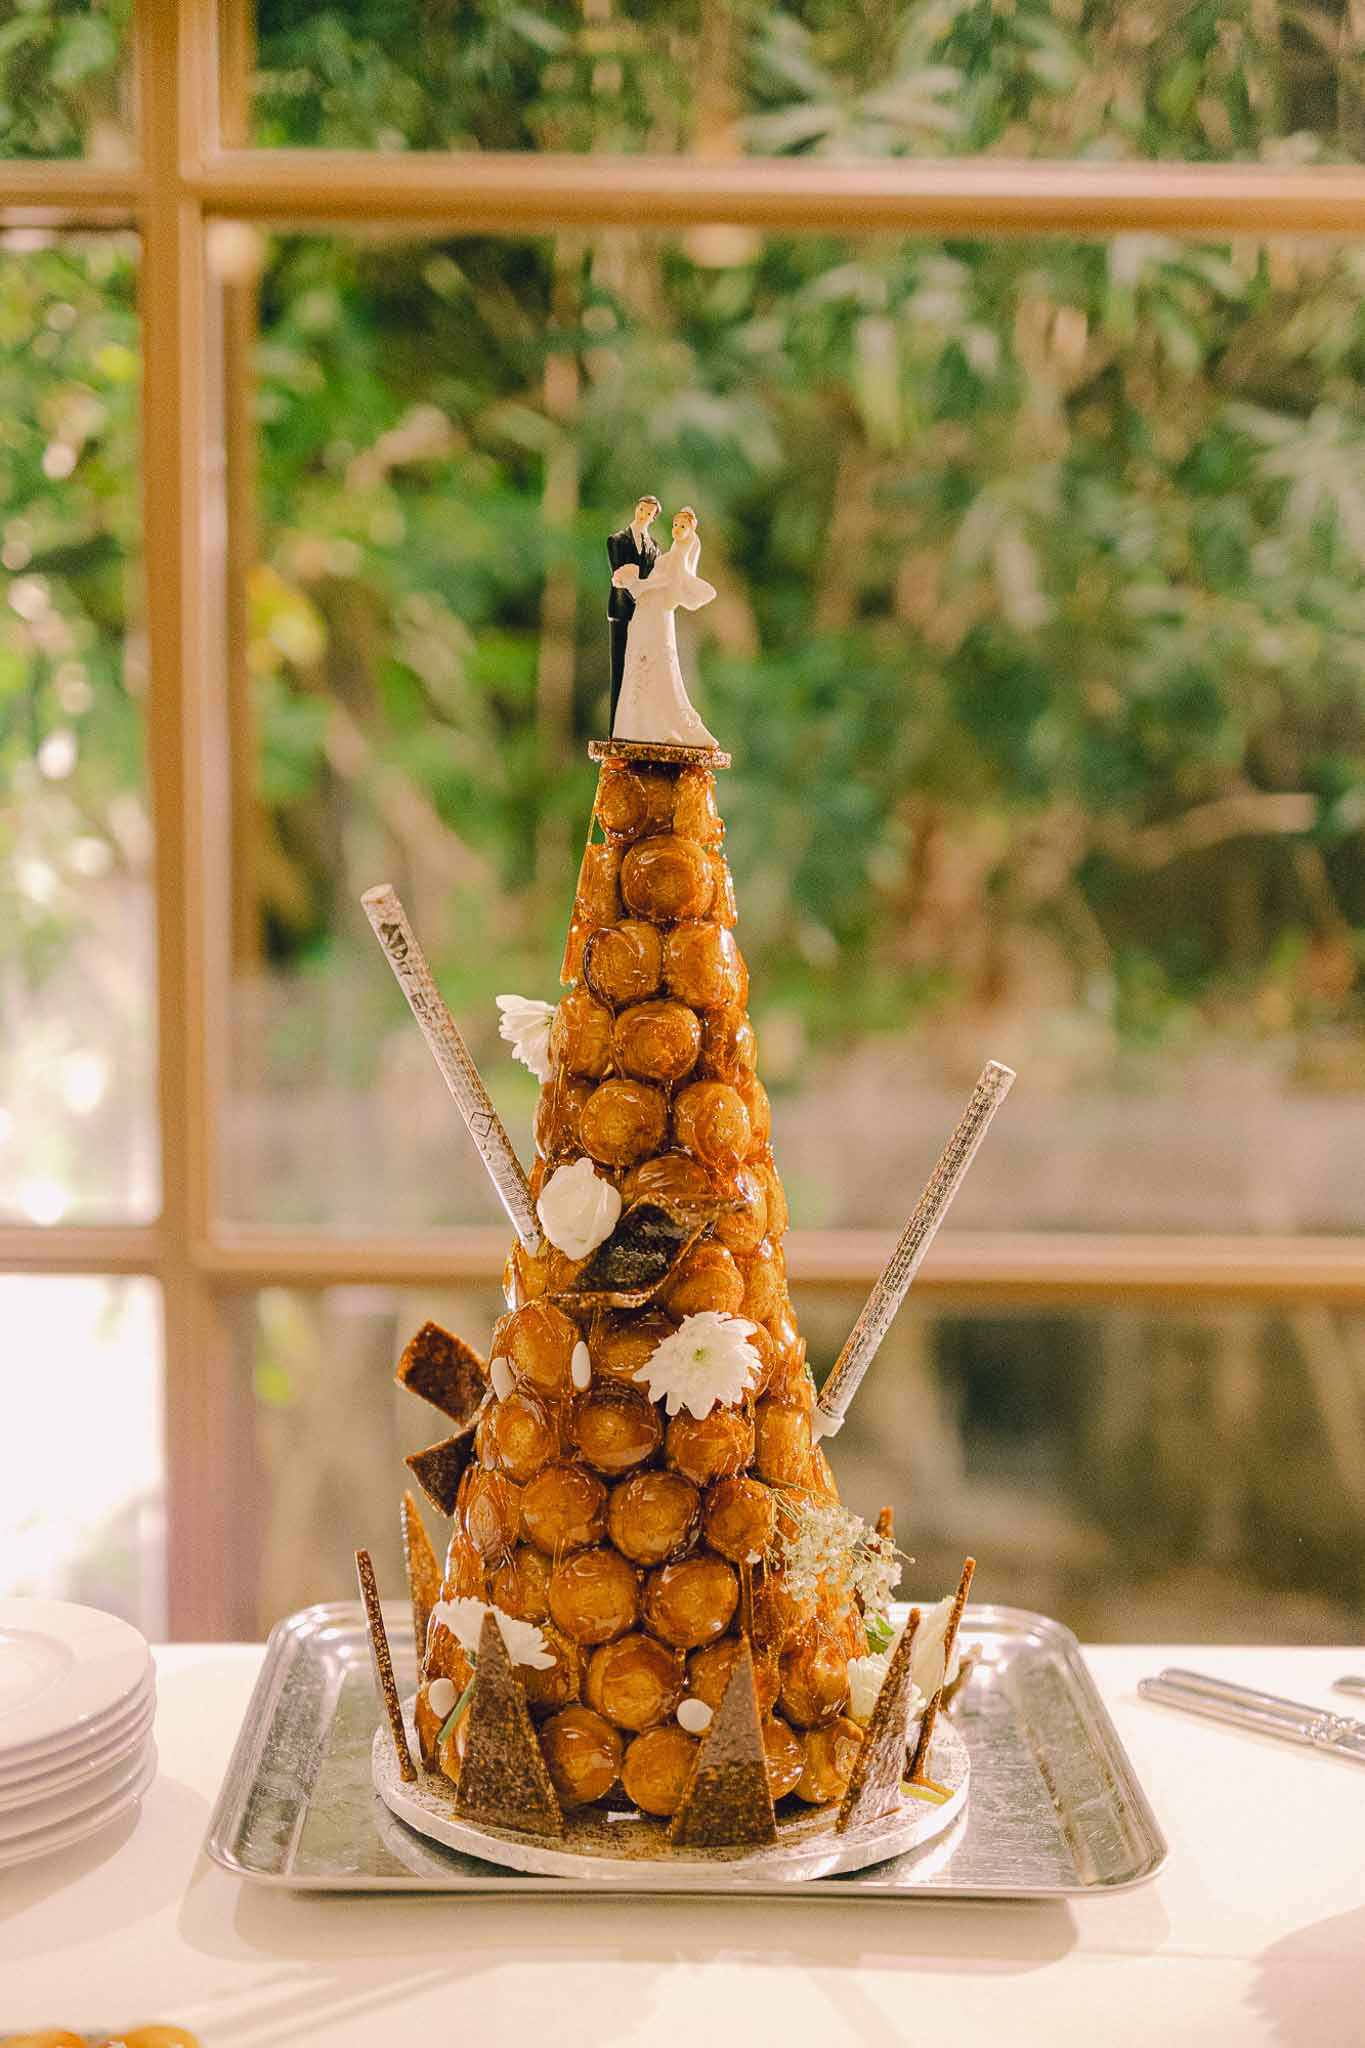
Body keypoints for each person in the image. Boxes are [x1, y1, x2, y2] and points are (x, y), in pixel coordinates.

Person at [611, 506, 717, 748]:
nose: (677, 530)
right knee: (640, 662)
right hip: (646, 613)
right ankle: (639, 725)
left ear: (691, 531)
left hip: (658, 615)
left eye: (683, 526)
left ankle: (663, 725)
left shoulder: (679, 559)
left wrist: (638, 584)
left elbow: (670, 595)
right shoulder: (667, 556)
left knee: (659, 662)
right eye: (675, 525)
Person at [606, 496, 661, 728]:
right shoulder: (617, 540)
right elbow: (619, 575)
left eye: (648, 513)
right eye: (641, 509)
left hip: (646, 612)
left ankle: (638, 725)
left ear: (653, 517)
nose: (642, 514)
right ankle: (615, 727)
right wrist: (638, 592)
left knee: (641, 667)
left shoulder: (654, 547)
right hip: (622, 609)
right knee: (619, 666)